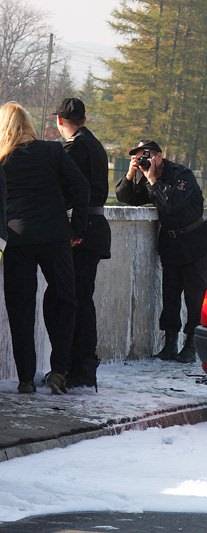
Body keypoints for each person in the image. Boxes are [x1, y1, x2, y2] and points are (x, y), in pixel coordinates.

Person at [0, 102, 89, 394]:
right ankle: (59, 371)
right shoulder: (52, 152)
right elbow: (81, 189)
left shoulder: (3, 160)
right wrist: (76, 228)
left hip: (17, 240)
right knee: (64, 300)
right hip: (54, 237)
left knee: (20, 308)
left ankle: (26, 378)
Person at [116, 139, 207, 363]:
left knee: (194, 297)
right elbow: (126, 198)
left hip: (194, 241)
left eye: (148, 155)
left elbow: (172, 204)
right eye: (140, 156)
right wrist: (131, 174)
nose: (145, 159)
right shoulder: (147, 177)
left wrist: (153, 179)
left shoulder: (181, 175)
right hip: (171, 244)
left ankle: (192, 344)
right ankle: (169, 343)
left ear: (160, 156)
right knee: (170, 295)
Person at [54, 97, 111, 389]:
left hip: (83, 228)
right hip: (95, 226)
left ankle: (78, 366)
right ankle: (85, 366)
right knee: (83, 298)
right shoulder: (96, 145)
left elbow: (72, 190)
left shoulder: (74, 148)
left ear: (60, 121)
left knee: (74, 300)